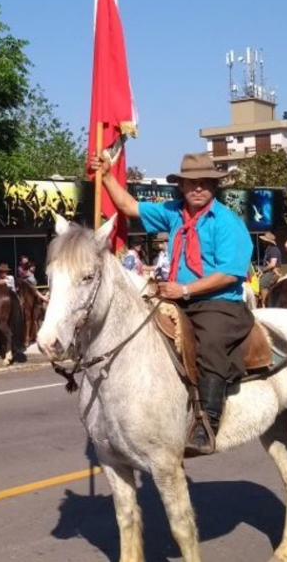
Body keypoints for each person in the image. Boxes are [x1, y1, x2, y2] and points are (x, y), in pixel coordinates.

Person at [91, 151, 254, 456]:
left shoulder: (227, 222)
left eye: (205, 183)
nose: (198, 188)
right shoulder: (172, 213)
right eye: (191, 183)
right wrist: (107, 174)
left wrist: (186, 290)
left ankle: (207, 423)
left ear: (214, 186)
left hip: (217, 302)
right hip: (174, 295)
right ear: (181, 186)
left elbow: (230, 273)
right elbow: (128, 206)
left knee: (210, 344)